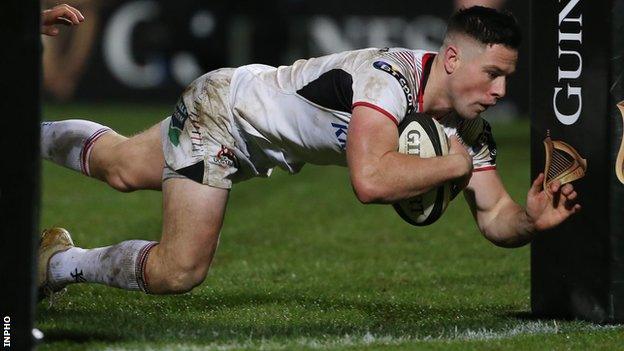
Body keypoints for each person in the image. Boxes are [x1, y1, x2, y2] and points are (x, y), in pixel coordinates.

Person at [38, 6, 581, 297]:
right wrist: (455, 165)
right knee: (179, 270)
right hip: (224, 112)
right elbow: (369, 181)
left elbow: (494, 216)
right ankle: (56, 266)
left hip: (257, 133)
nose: (500, 92)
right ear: (454, 58)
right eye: (493, 75)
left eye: (507, 79)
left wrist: (529, 221)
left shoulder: (468, 127)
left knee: (119, 167)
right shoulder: (387, 80)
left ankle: (26, 137)